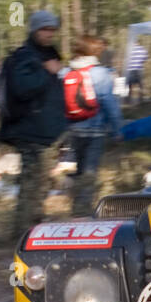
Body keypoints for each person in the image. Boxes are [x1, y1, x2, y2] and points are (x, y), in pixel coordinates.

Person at [0, 9, 67, 238]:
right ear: (35, 30)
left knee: (41, 185)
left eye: (52, 29)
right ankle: (22, 235)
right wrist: (47, 73)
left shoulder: (47, 54)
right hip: (31, 131)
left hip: (47, 131)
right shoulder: (26, 56)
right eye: (45, 29)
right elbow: (22, 88)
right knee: (31, 186)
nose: (49, 34)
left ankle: (33, 232)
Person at [62, 34, 123, 216]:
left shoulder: (66, 72)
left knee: (80, 169)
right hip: (95, 130)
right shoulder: (101, 73)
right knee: (89, 172)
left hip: (73, 129)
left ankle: (75, 204)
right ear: (95, 52)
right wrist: (117, 130)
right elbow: (109, 103)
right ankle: (82, 213)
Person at [125, 40, 149, 105]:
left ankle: (128, 100)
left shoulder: (129, 50)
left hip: (130, 69)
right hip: (139, 69)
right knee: (141, 85)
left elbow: (126, 60)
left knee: (130, 86)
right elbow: (145, 58)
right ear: (139, 43)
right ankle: (141, 100)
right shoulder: (142, 49)